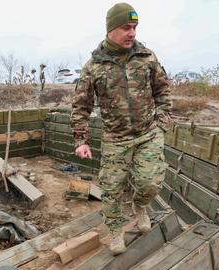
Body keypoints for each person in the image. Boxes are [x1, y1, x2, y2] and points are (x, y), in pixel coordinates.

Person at [70, 2, 172, 255]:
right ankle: (115, 230)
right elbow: (81, 105)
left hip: (149, 134)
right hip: (116, 139)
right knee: (111, 188)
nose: (132, 33)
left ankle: (140, 206)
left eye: (135, 27)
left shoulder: (147, 56)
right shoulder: (93, 66)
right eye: (127, 27)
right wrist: (81, 140)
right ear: (111, 29)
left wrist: (162, 125)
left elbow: (163, 90)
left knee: (150, 183)